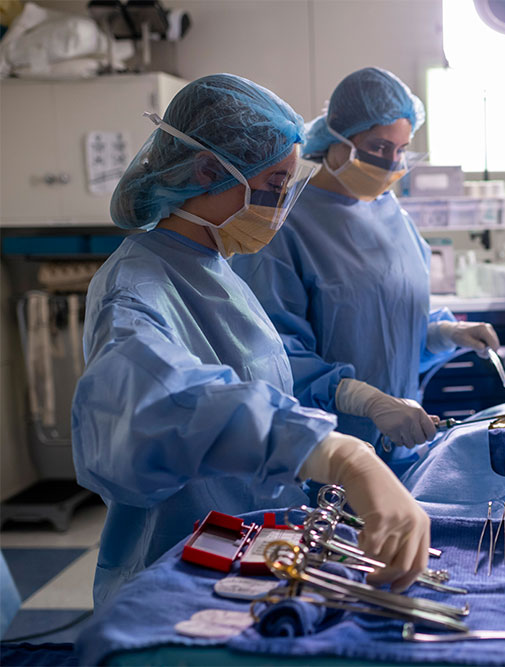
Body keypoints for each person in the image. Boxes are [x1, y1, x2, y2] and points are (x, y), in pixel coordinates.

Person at [72, 74, 430, 607]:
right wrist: (330, 450)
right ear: (208, 171)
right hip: (180, 572)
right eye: (274, 185)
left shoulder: (214, 264)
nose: (282, 205)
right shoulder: (136, 287)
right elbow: (159, 402)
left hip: (247, 553)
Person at [232, 67, 498, 466]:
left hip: (402, 447)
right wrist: (364, 400)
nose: (391, 163)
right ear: (337, 138)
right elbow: (273, 357)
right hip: (324, 453)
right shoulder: (284, 228)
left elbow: (387, 336)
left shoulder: (395, 218)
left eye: (401, 148)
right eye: (378, 147)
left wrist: (446, 333)